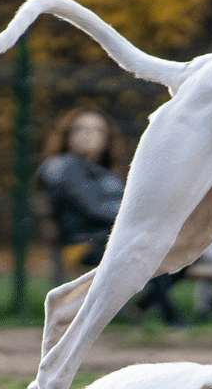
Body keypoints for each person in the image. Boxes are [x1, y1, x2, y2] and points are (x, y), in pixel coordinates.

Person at [37, 107, 185, 326]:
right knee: (148, 250)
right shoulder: (59, 167)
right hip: (82, 246)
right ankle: (172, 318)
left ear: (107, 137)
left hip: (114, 242)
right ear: (67, 134)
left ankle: (142, 307)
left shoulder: (108, 172)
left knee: (186, 250)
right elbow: (94, 208)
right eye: (81, 129)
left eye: (97, 130)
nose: (88, 134)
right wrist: (145, 219)